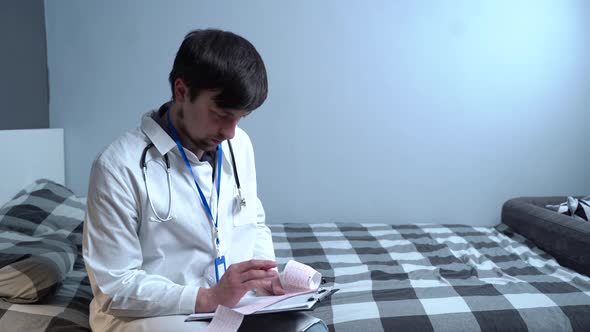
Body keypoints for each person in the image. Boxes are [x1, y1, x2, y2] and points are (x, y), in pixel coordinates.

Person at [82, 29, 327, 332]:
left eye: (241, 118)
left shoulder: (239, 146)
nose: (230, 132)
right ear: (181, 91)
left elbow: (253, 221)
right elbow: (114, 287)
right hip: (154, 315)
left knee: (311, 329)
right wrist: (207, 297)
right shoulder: (118, 167)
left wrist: (264, 278)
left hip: (235, 305)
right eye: (221, 114)